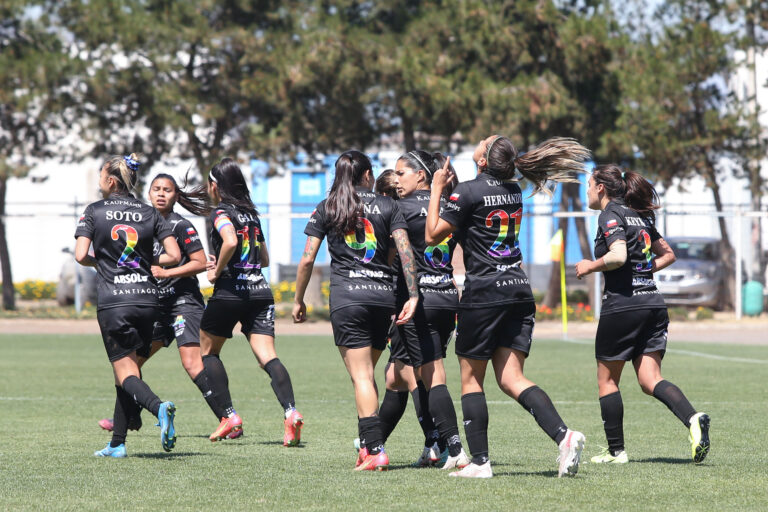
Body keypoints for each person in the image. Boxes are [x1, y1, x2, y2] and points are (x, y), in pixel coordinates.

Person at [425, 135, 589, 478]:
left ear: (483, 160)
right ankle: (564, 436)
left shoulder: (468, 191)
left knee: (471, 379)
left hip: (485, 293)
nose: (479, 140)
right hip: (518, 290)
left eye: (483, 142)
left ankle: (480, 463)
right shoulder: (513, 189)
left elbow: (432, 235)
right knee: (512, 378)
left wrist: (437, 188)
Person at [292, 150, 419, 471]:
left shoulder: (328, 207)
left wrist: (298, 300)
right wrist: (413, 294)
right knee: (366, 376)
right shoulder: (388, 205)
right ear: (366, 175)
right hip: (382, 299)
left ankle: (375, 450)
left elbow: (307, 259)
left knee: (361, 377)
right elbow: (404, 252)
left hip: (348, 299)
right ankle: (367, 446)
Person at [575, 165, 710, 464]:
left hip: (623, 306)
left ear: (601, 188)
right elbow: (668, 255)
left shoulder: (610, 214)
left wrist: (589, 266)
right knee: (650, 380)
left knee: (607, 381)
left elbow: (618, 255)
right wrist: (642, 272)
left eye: (588, 184)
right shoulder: (640, 216)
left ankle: (616, 452)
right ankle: (693, 418)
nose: (587, 191)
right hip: (653, 304)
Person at [96, 174, 222, 433]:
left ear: (176, 195)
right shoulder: (143, 222)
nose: (161, 194)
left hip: (183, 303)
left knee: (192, 363)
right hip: (156, 305)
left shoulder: (180, 225)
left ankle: (228, 418)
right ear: (149, 193)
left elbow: (199, 262)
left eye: (167, 190)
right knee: (131, 363)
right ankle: (129, 418)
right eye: (156, 189)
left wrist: (166, 272)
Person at [75, 154, 180, 458]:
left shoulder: (94, 211)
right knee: (127, 371)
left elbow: (81, 255)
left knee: (125, 372)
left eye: (100, 175)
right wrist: (144, 261)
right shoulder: (150, 212)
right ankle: (117, 443)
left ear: (110, 180)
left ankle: (158, 408)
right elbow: (174, 256)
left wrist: (102, 263)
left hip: (115, 301)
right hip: (147, 300)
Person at [197, 158, 304, 446]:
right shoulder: (251, 215)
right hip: (260, 291)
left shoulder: (221, 212)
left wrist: (216, 271)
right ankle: (291, 412)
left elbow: (230, 241)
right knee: (268, 357)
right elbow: (264, 259)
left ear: (215, 186)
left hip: (231, 291)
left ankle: (229, 416)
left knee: (208, 352)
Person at [389, 150, 469, 469]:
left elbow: (392, 256)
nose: (395, 179)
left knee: (430, 376)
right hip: (447, 296)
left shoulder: (400, 209)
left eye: (401, 173)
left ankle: (453, 448)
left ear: (421, 175)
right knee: (413, 373)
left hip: (418, 300)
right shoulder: (447, 205)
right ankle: (432, 444)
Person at [372, 169, 445, 467]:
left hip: (408, 302)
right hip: (436, 295)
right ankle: (373, 439)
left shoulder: (397, 213)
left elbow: (397, 258)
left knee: (410, 373)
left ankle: (436, 440)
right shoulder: (431, 209)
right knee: (396, 376)